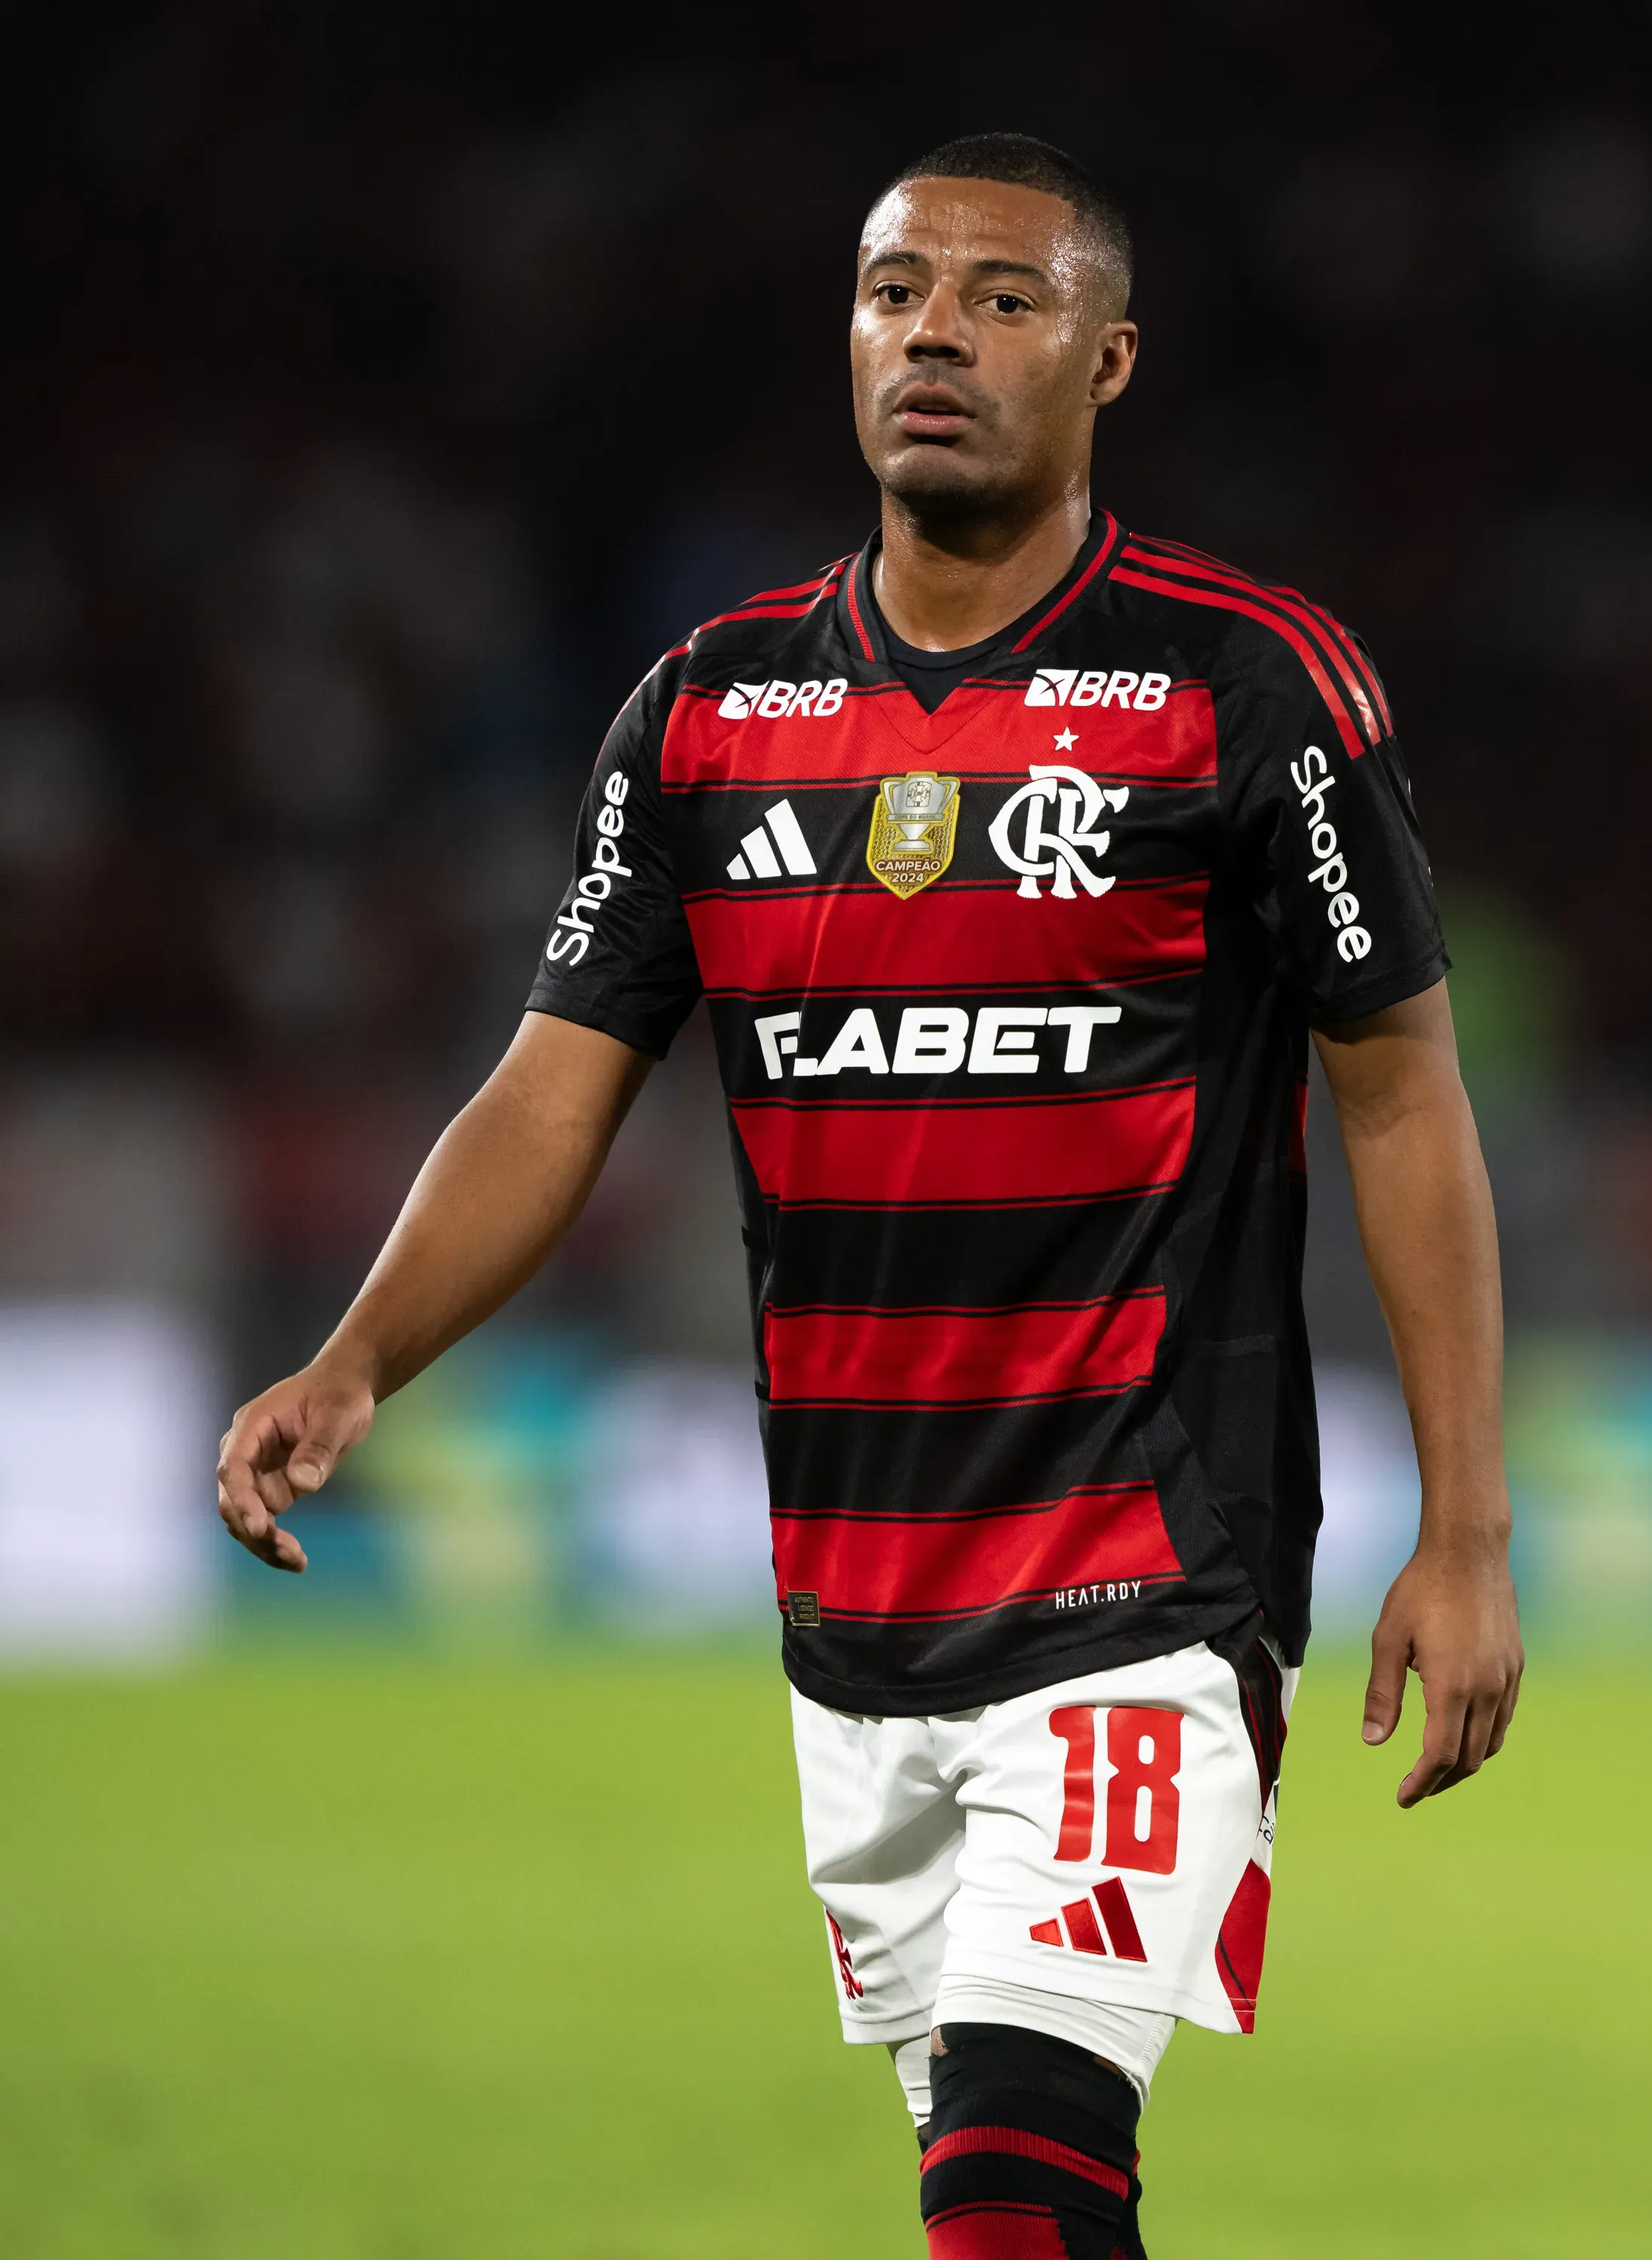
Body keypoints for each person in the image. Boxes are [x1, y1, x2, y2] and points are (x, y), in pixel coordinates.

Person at [218, 132, 1523, 2260]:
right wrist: (357, 1358)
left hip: (1144, 1574)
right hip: (852, 1604)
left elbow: (1403, 1096)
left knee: (1014, 2172)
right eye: (897, 290)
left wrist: (1465, 1535)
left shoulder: (1244, 684)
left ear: (1109, 360)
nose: (937, 335)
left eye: (1005, 299)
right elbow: (553, 1089)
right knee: (1003, 2198)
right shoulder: (711, 712)